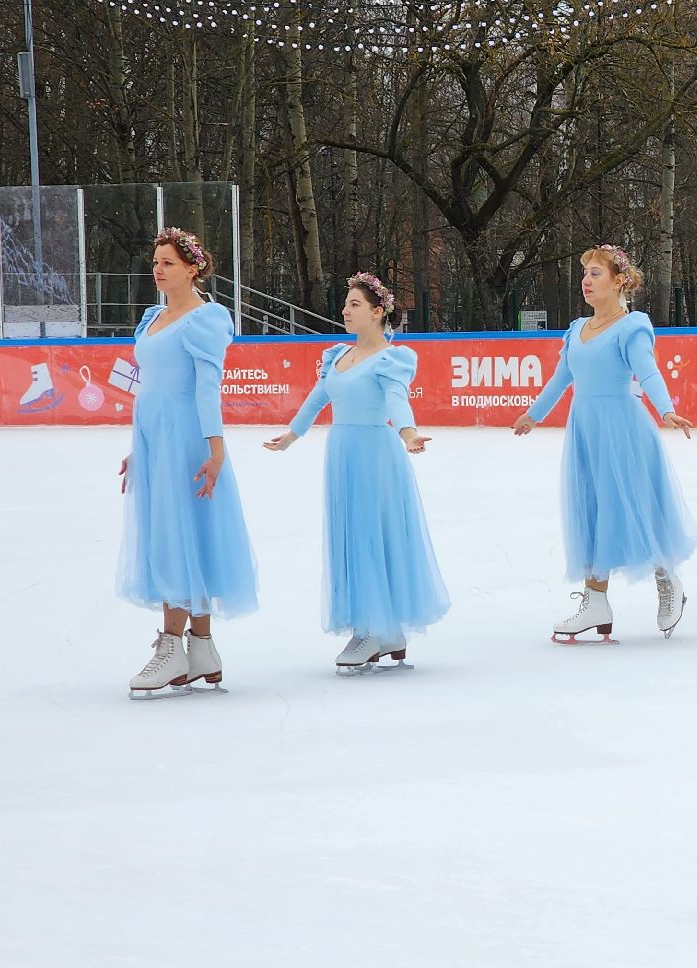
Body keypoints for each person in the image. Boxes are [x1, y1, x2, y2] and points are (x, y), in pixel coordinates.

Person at [512, 245, 697, 641]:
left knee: (635, 506)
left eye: (596, 273)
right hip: (585, 429)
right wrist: (533, 414)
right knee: (592, 508)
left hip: (624, 429)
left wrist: (666, 410)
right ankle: (596, 600)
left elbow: (647, 373)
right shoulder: (577, 329)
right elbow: (560, 379)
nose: (586, 280)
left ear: (620, 281)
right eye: (585, 274)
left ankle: (667, 580)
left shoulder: (632, 327)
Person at [264, 272, 450, 672]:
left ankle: (376, 627)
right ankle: (383, 628)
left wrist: (409, 433)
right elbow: (317, 399)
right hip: (342, 452)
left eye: (355, 305)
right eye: (346, 304)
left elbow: (397, 398)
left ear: (378, 312)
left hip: (374, 454)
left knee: (372, 534)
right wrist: (291, 435)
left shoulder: (391, 358)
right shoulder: (338, 356)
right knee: (352, 535)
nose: (346, 311)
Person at [120, 228, 259, 698]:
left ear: (193, 269)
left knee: (179, 536)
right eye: (156, 261)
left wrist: (215, 447)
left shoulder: (206, 319)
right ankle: (201, 648)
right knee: (177, 534)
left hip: (186, 436)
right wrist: (139, 447)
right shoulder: (155, 318)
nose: (158, 269)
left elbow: (205, 387)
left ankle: (172, 646)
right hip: (155, 435)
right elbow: (149, 386)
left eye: (168, 263)